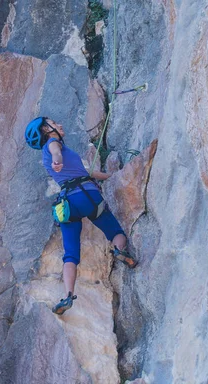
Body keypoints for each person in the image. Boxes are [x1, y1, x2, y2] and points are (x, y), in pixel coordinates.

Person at [24, 117, 137, 315]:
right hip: (87, 198)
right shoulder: (53, 143)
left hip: (66, 206)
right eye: (53, 123)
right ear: (46, 130)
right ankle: (119, 250)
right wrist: (58, 161)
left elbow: (89, 172)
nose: (59, 124)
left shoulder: (51, 156)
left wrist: (111, 176)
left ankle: (68, 295)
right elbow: (56, 153)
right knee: (116, 232)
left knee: (70, 254)